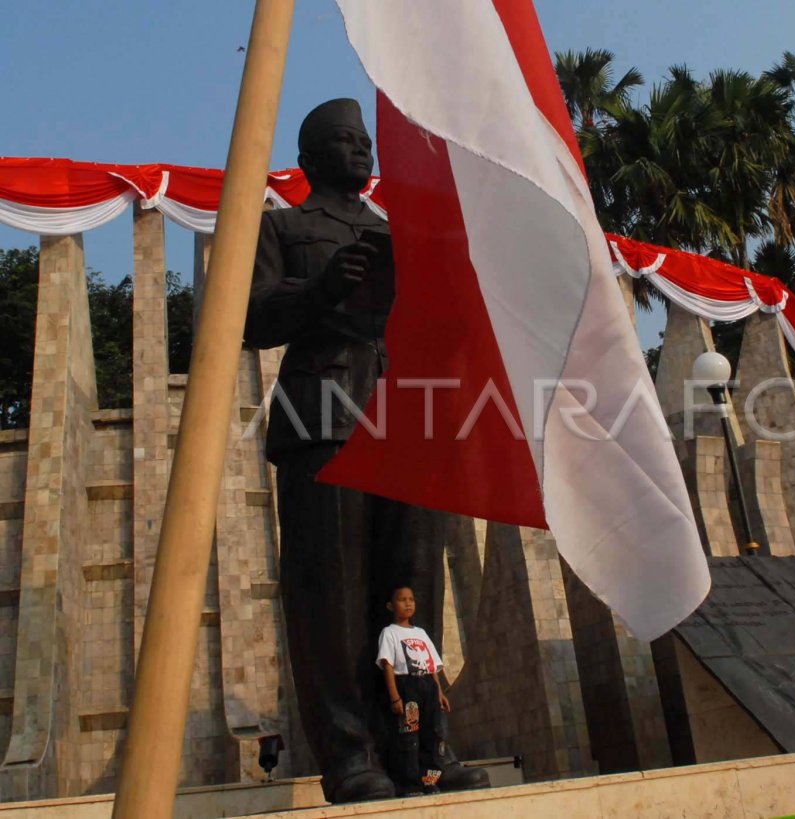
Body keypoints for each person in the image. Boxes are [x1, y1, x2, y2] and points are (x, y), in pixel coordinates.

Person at [244, 98, 452, 803]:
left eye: (364, 141)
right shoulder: (284, 226)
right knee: (329, 593)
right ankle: (350, 752)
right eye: (341, 141)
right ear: (306, 158)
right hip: (323, 414)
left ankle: (421, 748)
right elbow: (249, 318)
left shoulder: (396, 231)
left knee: (413, 584)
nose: (360, 150)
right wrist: (321, 289)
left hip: (403, 418)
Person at [378, 586, 451, 795]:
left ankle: (430, 780)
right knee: (409, 734)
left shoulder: (421, 633)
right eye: (402, 600)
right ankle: (409, 784)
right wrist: (394, 697)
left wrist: (439, 693)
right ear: (391, 606)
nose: (408, 603)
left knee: (433, 733)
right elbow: (388, 665)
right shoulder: (389, 633)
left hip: (427, 685)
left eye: (411, 599)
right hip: (406, 687)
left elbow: (432, 665)